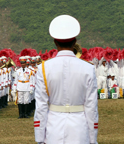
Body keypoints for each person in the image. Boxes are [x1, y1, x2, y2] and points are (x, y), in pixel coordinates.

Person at [34, 15, 98, 144]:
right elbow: (91, 106)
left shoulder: (44, 68)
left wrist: (40, 137)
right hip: (79, 127)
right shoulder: (88, 68)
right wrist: (93, 138)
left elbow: (41, 106)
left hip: (53, 127)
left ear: (55, 43)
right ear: (75, 42)